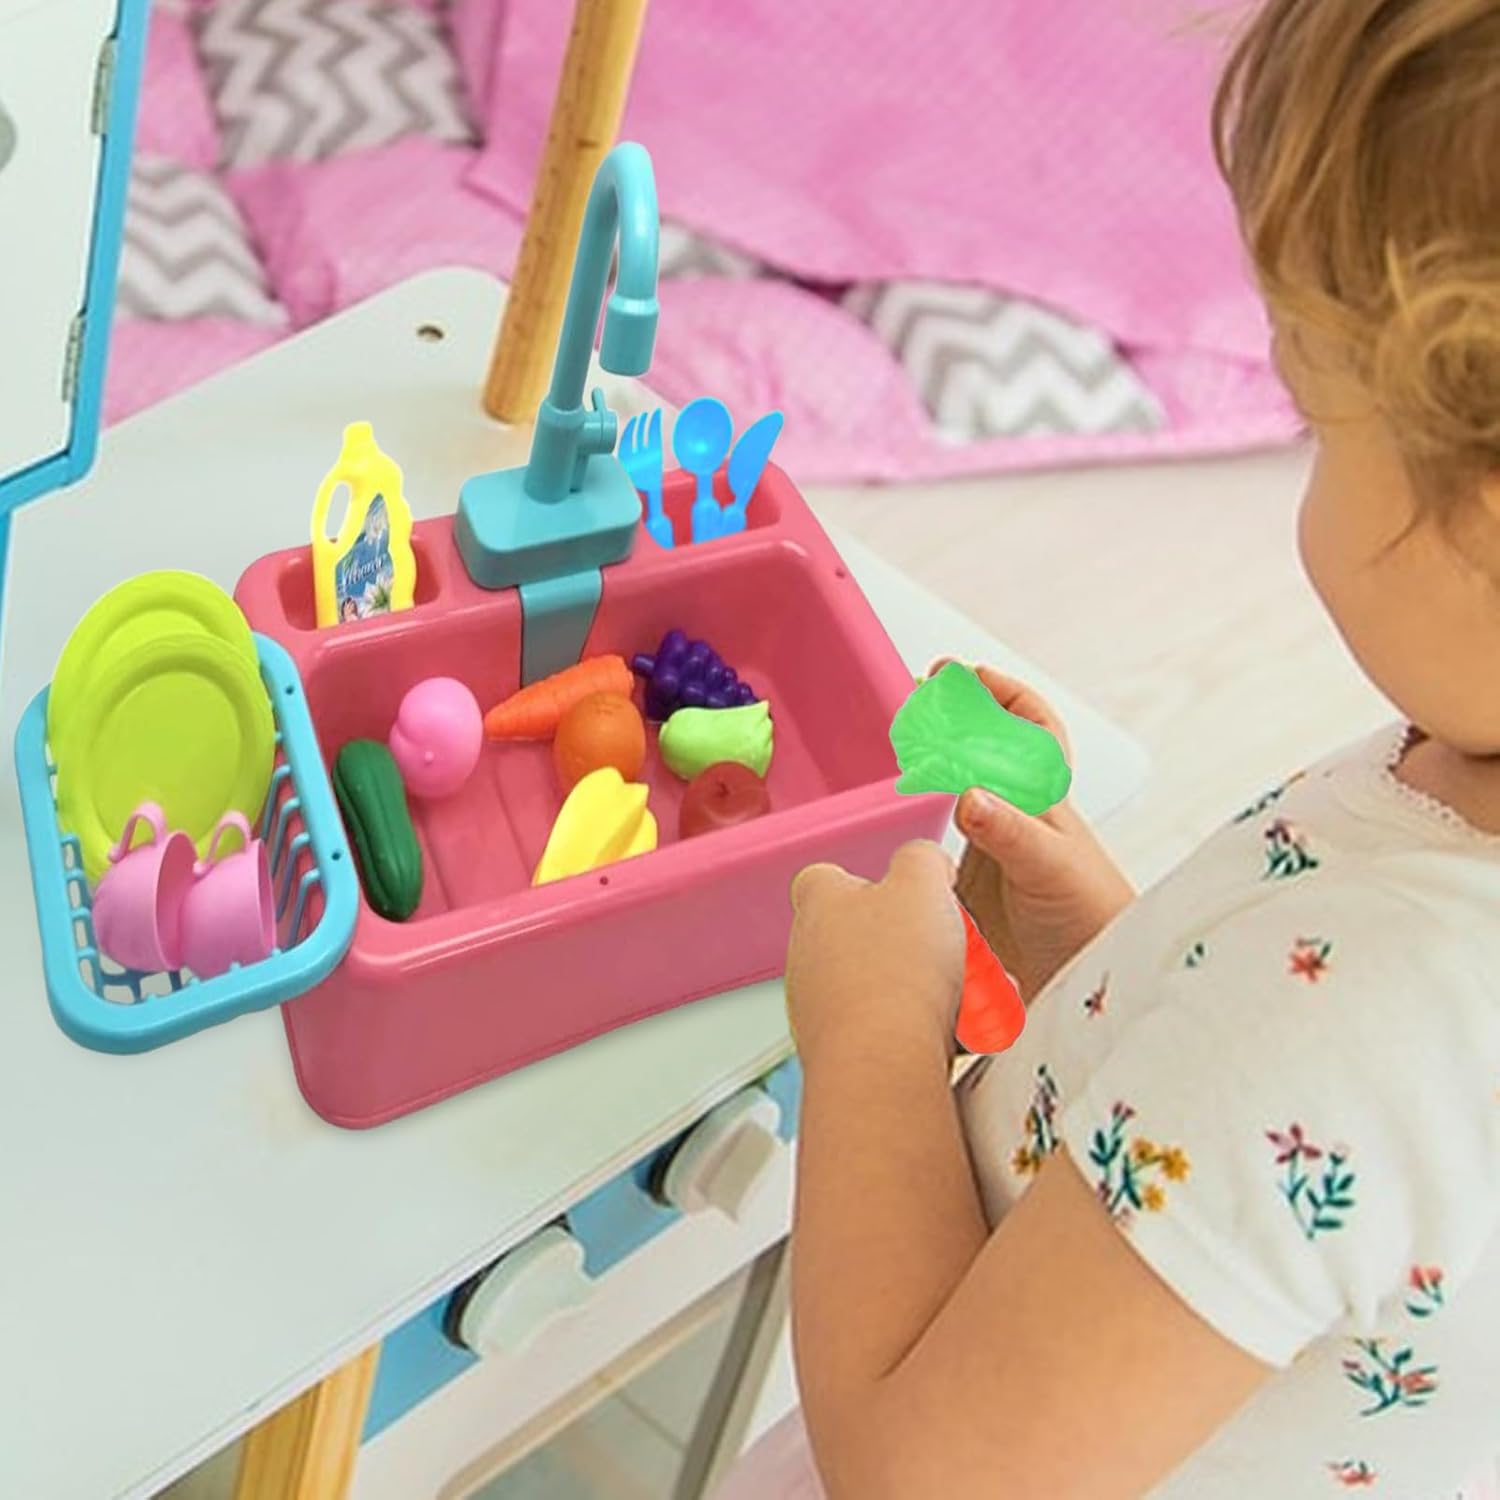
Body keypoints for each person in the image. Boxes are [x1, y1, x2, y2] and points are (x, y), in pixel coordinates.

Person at [721, 3, 1500, 1495]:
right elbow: (1271, 1166)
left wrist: (874, 1030)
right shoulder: (1464, 787)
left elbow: (917, 1473)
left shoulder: (1375, 1025)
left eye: (1321, 423)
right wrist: (1112, 955)